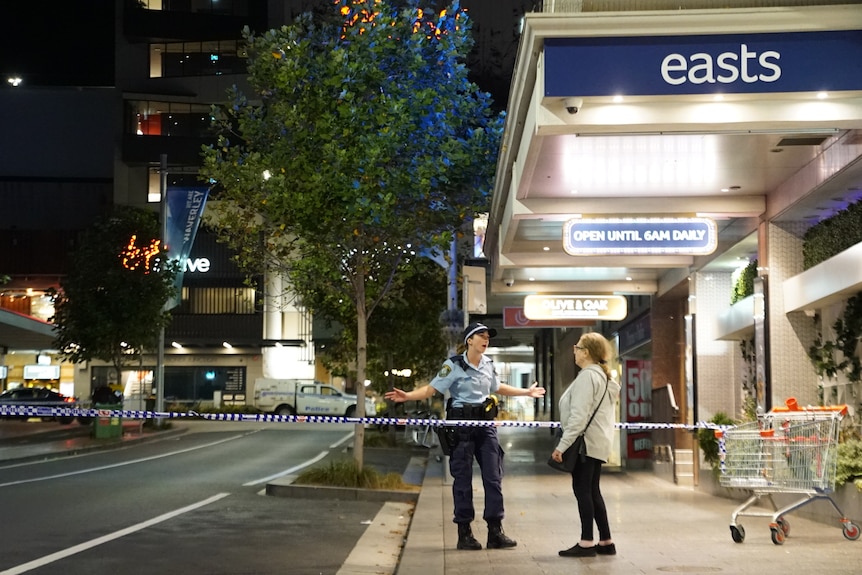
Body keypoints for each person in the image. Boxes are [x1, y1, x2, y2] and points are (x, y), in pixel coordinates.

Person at [385, 322, 546, 551]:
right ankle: (464, 533)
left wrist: (526, 392)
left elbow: (497, 387)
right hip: (460, 426)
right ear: (469, 340)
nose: (486, 339)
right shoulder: (453, 365)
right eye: (481, 335)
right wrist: (408, 396)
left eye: (488, 336)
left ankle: (495, 531)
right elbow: (432, 390)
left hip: (485, 424)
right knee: (462, 480)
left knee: (493, 477)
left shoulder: (489, 364)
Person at [551, 331, 621, 558]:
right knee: (592, 491)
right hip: (597, 443)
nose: (574, 350)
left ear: (587, 352)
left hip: (584, 444)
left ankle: (586, 542)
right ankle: (606, 541)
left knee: (583, 491)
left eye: (578, 347)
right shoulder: (603, 377)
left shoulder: (587, 377)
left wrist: (562, 446)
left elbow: (579, 417)